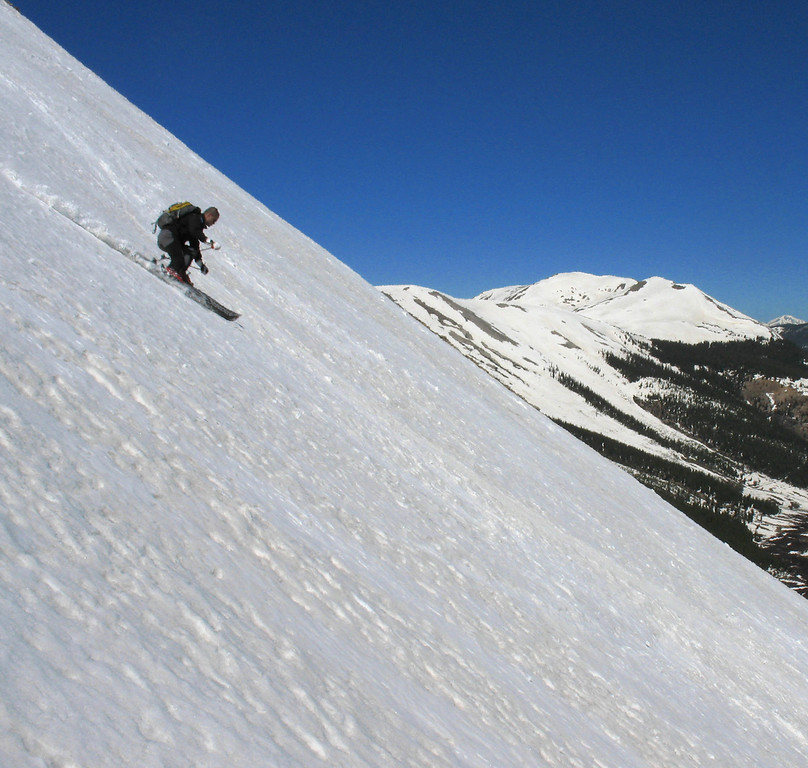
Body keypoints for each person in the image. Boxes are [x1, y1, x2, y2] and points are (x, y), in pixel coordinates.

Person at [157, 205, 220, 286]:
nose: (213, 223)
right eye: (214, 220)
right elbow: (194, 231)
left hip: (170, 239)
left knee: (190, 252)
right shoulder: (195, 218)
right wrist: (209, 241)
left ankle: (180, 272)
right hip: (168, 237)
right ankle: (171, 271)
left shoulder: (198, 224)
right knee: (179, 258)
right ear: (209, 215)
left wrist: (201, 265)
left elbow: (195, 245)